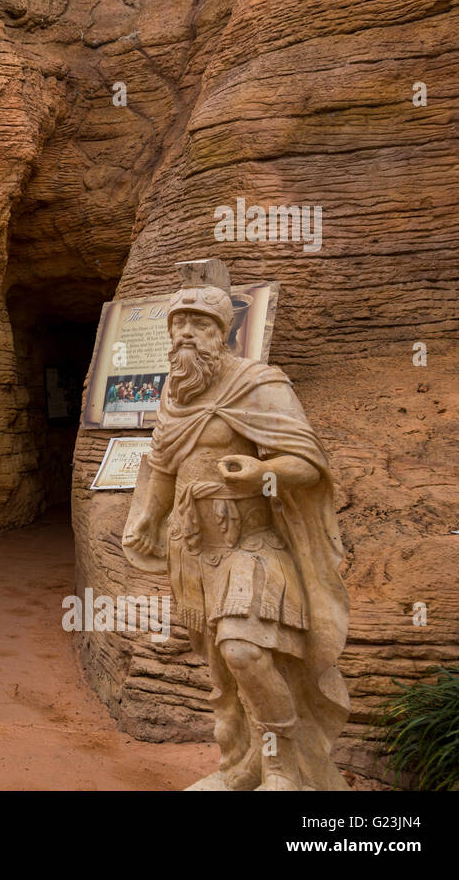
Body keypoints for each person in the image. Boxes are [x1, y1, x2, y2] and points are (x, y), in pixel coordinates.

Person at [121, 284, 350, 790]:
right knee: (224, 672)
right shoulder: (175, 391)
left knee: (245, 650)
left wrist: (258, 472)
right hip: (195, 549)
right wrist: (146, 517)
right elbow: (163, 463)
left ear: (221, 335)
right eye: (178, 326)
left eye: (199, 326)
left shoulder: (258, 384)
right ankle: (243, 763)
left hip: (253, 544)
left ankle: (281, 769)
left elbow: (308, 466)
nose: (186, 335)